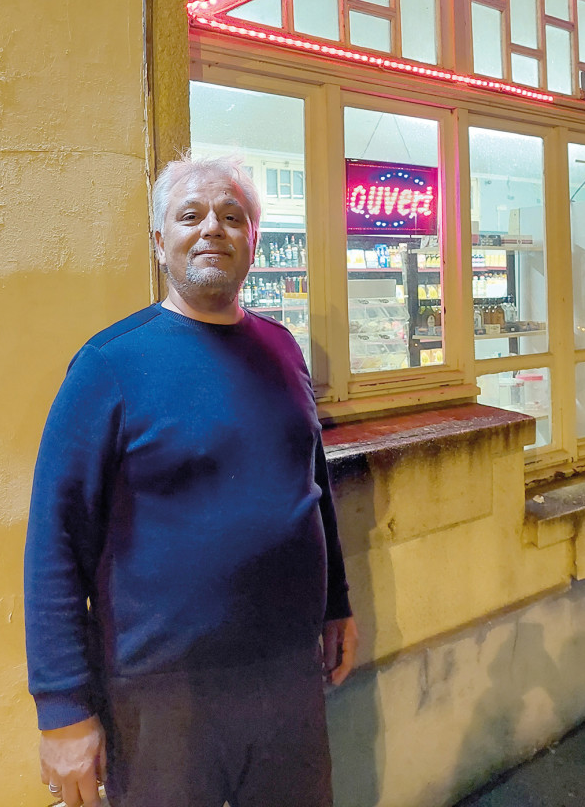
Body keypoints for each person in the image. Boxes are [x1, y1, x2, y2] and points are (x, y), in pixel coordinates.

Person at [24, 154, 358, 807]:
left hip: (287, 679)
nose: (213, 229)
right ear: (159, 241)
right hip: (162, 698)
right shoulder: (109, 367)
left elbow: (310, 483)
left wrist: (335, 601)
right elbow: (55, 542)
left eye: (233, 217)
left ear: (254, 241)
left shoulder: (282, 350)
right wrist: (63, 709)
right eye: (191, 215)